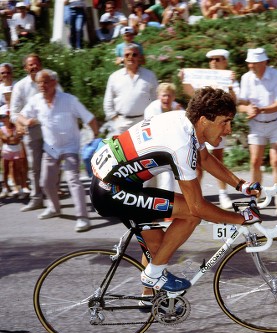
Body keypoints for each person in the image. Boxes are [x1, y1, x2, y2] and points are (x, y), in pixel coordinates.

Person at [90, 86, 261, 294]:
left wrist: (241, 185)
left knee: (160, 247)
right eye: (224, 122)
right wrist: (240, 218)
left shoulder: (184, 120)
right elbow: (197, 207)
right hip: (112, 191)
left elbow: (205, 158)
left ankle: (149, 299)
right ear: (204, 120)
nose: (229, 130)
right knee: (190, 215)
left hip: (118, 181)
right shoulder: (181, 145)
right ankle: (153, 276)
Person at [16, 69, 99, 232]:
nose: (42, 85)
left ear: (54, 82)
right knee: (45, 182)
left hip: (70, 146)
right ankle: (54, 208)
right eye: (39, 82)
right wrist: (26, 121)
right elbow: (20, 115)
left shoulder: (69, 100)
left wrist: (95, 137)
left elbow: (89, 118)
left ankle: (83, 217)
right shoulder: (36, 100)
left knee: (72, 180)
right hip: (52, 147)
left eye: (45, 82)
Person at [181, 48, 240, 209]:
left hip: (217, 126)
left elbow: (234, 102)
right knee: (198, 163)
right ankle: (195, 197)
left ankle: (223, 194)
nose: (213, 62)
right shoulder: (203, 78)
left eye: (217, 59)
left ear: (225, 61)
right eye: (211, 59)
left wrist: (232, 86)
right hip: (202, 126)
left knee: (217, 159)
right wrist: (184, 80)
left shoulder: (229, 79)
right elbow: (190, 93)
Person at [238, 47, 277, 216]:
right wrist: (247, 109)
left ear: (263, 62)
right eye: (249, 63)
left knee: (275, 161)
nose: (250, 65)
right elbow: (241, 104)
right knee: (255, 161)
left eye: (253, 63)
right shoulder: (246, 78)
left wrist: (260, 109)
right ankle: (256, 199)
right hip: (257, 124)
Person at [10, 53, 45, 212]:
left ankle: (53, 193)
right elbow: (14, 113)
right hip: (32, 133)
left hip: (50, 133)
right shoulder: (20, 87)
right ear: (25, 68)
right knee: (35, 166)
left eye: (36, 63)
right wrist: (23, 122)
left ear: (41, 65)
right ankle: (37, 198)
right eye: (30, 65)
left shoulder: (49, 81)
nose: (34, 67)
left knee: (54, 160)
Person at [103, 43, 158, 135]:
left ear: (139, 57)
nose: (130, 57)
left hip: (144, 122)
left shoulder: (149, 76)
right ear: (122, 58)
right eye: (127, 55)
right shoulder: (114, 77)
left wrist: (151, 119)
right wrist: (115, 120)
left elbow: (155, 100)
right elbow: (108, 102)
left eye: (134, 55)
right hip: (121, 124)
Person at [143, 82, 183, 192]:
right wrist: (174, 117)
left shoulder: (178, 108)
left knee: (167, 178)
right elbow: (157, 130)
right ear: (158, 96)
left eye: (169, 95)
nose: (166, 98)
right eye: (164, 95)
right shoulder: (151, 109)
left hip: (167, 151)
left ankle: (166, 204)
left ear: (174, 97)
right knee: (147, 182)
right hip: (149, 149)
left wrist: (178, 115)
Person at [0, 105, 27, 199]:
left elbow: (17, 138)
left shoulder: (16, 126)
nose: (2, 119)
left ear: (9, 116)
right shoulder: (2, 129)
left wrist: (14, 138)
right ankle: (7, 188)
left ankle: (20, 189)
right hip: (6, 150)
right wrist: (14, 138)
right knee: (6, 170)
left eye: (3, 116)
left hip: (17, 150)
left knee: (17, 169)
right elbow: (7, 139)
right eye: (1, 117)